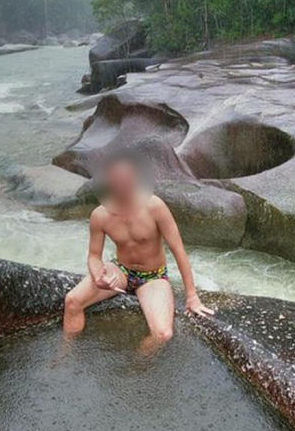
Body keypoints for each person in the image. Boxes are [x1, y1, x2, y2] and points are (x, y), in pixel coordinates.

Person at [63, 148, 214, 354]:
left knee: (163, 334)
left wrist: (192, 296)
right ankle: (65, 355)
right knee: (72, 301)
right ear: (109, 181)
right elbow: (94, 256)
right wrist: (98, 276)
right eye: (118, 180)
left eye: (127, 179)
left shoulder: (154, 207)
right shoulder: (100, 215)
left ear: (134, 178)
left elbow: (178, 250)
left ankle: (136, 371)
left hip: (152, 277)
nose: (123, 184)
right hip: (120, 272)